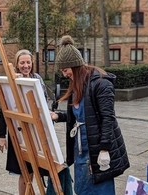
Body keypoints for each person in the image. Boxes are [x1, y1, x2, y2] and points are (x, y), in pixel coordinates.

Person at [50, 35, 130, 195]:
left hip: (97, 148)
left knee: (100, 189)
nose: (65, 74)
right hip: (81, 149)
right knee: (82, 189)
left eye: (65, 70)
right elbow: (82, 115)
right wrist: (58, 116)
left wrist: (105, 149)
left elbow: (108, 118)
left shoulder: (101, 84)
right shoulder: (78, 85)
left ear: (74, 66)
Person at [0, 49, 48, 195]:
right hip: (19, 132)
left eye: (28, 62)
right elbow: (4, 110)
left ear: (32, 62)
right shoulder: (11, 82)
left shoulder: (37, 78)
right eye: (22, 62)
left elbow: (43, 103)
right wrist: (2, 136)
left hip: (37, 132)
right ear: (17, 64)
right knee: (25, 172)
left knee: (39, 169)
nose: (26, 65)